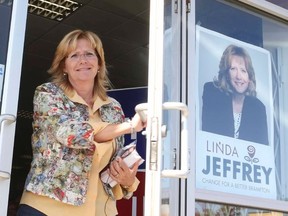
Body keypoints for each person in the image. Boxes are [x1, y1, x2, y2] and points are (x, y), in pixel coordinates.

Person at [17, 29, 146, 216]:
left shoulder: (113, 107)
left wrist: (128, 181)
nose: (83, 60)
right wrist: (130, 126)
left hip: (100, 210)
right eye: (74, 55)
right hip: (46, 209)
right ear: (63, 66)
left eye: (89, 54)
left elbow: (113, 161)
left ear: (99, 63)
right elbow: (70, 133)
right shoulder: (48, 94)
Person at [201, 44, 269, 145]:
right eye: (233, 69)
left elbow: (262, 150)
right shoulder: (212, 93)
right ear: (226, 73)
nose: (239, 76)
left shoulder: (258, 108)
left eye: (243, 70)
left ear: (249, 77)